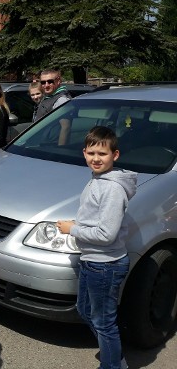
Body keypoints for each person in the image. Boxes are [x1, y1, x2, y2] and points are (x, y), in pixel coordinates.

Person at [56, 127, 137, 369]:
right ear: (84, 153)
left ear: (115, 155)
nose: (95, 158)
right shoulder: (98, 180)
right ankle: (115, 356)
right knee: (85, 310)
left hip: (106, 265)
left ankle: (113, 364)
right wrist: (79, 225)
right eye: (91, 153)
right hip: (92, 261)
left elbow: (106, 234)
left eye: (102, 153)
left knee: (103, 321)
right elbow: (96, 219)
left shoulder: (112, 188)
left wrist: (73, 229)